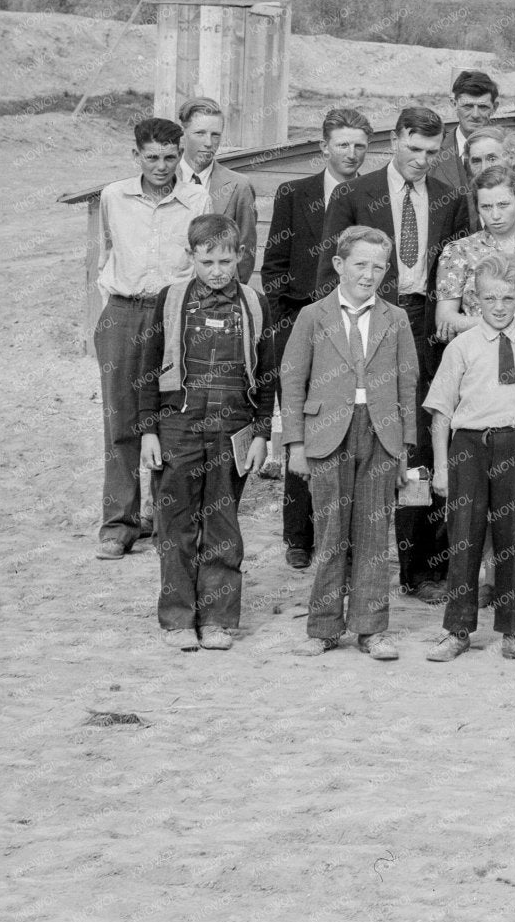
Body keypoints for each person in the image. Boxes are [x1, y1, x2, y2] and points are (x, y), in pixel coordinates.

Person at [323, 105, 471, 601]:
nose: (421, 160)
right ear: (394, 140)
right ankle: (344, 567)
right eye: (413, 149)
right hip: (367, 323)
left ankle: (422, 570)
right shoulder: (353, 193)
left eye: (432, 152)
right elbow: (332, 271)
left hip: (426, 330)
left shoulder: (451, 198)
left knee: (421, 444)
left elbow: (454, 276)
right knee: (356, 438)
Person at [136, 214, 276, 651]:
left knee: (222, 525)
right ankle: (178, 619)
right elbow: (144, 370)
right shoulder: (170, 300)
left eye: (226, 260)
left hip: (232, 427)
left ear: (239, 257)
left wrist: (261, 433)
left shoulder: (254, 304)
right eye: (208, 260)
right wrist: (148, 432)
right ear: (191, 257)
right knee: (175, 525)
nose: (217, 270)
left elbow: (269, 373)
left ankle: (217, 620)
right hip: (177, 426)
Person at [279, 226, 418, 661]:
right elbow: (292, 380)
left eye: (379, 266)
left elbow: (407, 383)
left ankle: (371, 628)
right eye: (360, 264)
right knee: (331, 533)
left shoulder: (395, 318)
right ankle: (322, 627)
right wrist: (295, 444)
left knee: (375, 534)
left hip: (380, 433)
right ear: (339, 265)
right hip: (327, 434)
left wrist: (404, 447)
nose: (369, 274)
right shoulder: (312, 316)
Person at [423, 253, 515, 664]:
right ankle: (457, 629)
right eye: (490, 298)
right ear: (475, 300)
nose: (499, 306)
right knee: (464, 537)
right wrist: (441, 466)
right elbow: (441, 412)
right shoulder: (461, 347)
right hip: (468, 446)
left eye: (507, 297)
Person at [93, 117, 210, 559]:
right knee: (121, 420)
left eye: (170, 156)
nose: (161, 166)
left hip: (173, 313)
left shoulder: (197, 197)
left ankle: (166, 523)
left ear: (181, 153)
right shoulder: (113, 196)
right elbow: (106, 251)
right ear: (136, 155)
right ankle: (118, 524)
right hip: (123, 312)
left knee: (170, 417)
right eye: (152, 157)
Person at [260, 106, 371, 568]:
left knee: (350, 425)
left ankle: (346, 533)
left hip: (358, 328)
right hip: (304, 324)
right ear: (324, 147)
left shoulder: (372, 196)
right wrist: (306, 315)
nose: (351, 153)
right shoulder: (295, 194)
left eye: (360, 145)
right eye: (342, 144)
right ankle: (299, 536)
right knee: (303, 429)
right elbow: (273, 269)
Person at [434, 167, 515, 342]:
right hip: (478, 352)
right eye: (486, 207)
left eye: (503, 205)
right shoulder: (459, 250)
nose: (495, 215)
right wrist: (507, 325)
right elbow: (444, 319)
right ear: (478, 209)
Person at [176, 98, 259, 284]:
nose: (208, 142)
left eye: (215, 135)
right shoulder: (164, 180)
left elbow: (245, 253)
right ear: (183, 134)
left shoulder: (239, 186)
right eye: (200, 133)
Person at [429, 67, 501, 195]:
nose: (475, 114)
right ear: (454, 103)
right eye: (467, 106)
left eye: (483, 107)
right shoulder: (432, 153)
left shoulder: (513, 154)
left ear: (494, 108)